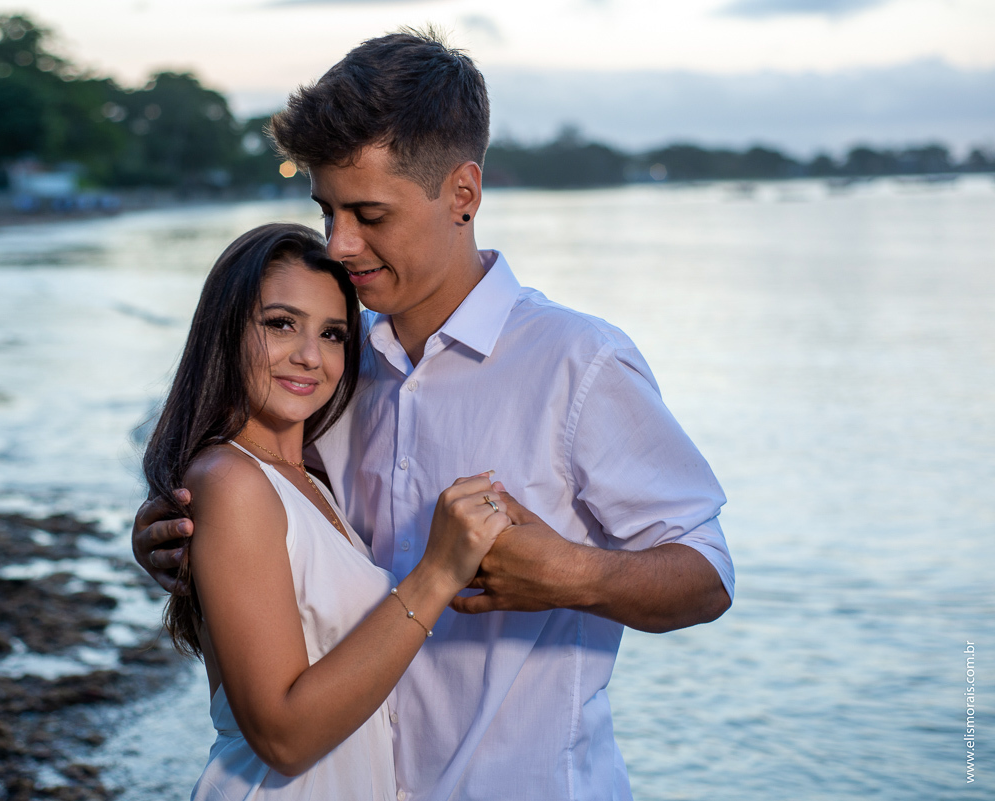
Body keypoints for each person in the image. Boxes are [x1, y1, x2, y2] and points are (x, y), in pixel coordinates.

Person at [135, 31, 735, 801]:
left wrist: (572, 572)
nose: (339, 245)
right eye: (328, 210)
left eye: (370, 214)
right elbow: (270, 516)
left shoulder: (577, 361)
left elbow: (706, 577)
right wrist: (183, 532)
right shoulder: (329, 370)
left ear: (462, 194)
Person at [143, 222, 510, 800]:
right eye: (280, 324)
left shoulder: (309, 481)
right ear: (225, 330)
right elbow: (283, 738)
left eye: (334, 334)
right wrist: (438, 573)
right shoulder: (232, 481)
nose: (310, 357)